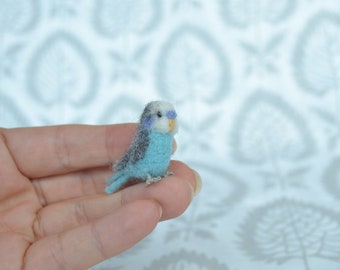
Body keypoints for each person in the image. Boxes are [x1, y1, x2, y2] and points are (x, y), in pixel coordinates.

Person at [0, 124, 201, 270]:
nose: (169, 120)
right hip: (137, 170)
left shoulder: (164, 139)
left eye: (171, 116)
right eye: (161, 116)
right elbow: (135, 158)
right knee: (120, 181)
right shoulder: (147, 139)